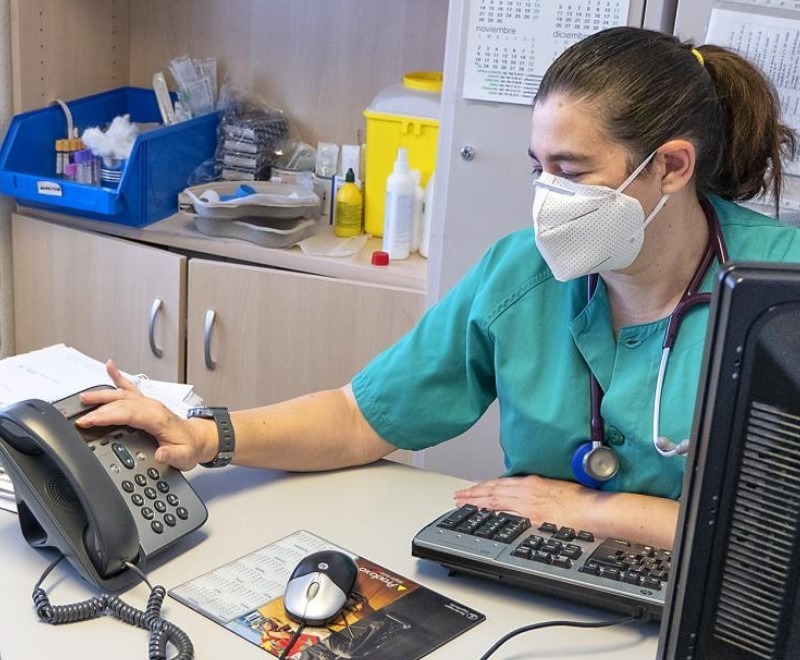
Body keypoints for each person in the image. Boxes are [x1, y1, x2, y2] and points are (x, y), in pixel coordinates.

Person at [78, 27, 800, 550]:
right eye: (537, 167)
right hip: (545, 568)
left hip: (711, 599)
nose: (548, 196)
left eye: (573, 173)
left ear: (671, 167)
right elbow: (362, 417)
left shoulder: (783, 288)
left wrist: (601, 513)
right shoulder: (521, 274)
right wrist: (208, 435)